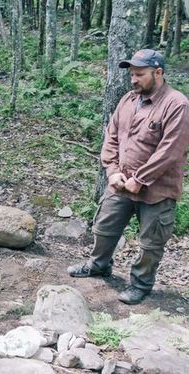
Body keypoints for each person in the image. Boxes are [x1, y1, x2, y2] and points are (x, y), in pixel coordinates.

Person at [67, 49, 189, 305]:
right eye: (132, 74)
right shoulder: (127, 100)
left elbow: (171, 150)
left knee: (150, 243)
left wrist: (141, 179)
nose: (134, 79)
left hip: (157, 190)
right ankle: (99, 265)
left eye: (140, 74)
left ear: (158, 73)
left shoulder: (176, 104)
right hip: (121, 183)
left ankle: (140, 284)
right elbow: (111, 136)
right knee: (104, 227)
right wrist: (112, 171)